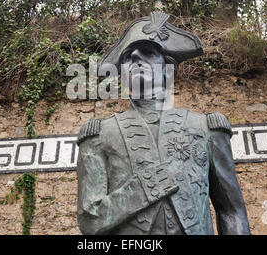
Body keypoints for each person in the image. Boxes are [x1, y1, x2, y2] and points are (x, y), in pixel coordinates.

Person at [76, 12, 250, 235]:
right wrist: (146, 187)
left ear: (168, 68)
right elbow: (90, 221)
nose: (136, 57)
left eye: (148, 53)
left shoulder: (207, 128)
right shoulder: (99, 135)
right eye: (128, 56)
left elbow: (231, 210)